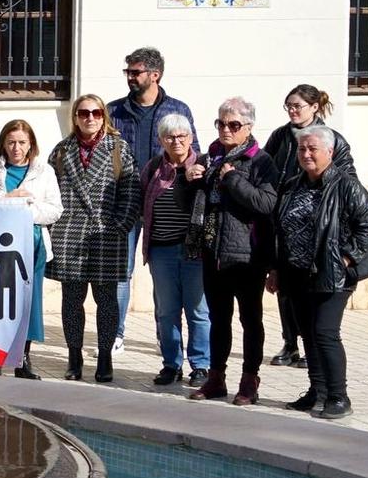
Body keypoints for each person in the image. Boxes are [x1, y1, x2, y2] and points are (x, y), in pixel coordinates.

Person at [269, 125, 368, 421]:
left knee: (325, 333)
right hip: (296, 273)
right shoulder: (292, 184)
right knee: (307, 334)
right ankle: (316, 391)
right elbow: (278, 229)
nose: (306, 154)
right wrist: (276, 269)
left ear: (329, 152)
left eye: (312, 149)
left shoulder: (346, 186)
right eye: (302, 149)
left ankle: (338, 396)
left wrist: (346, 257)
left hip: (332, 275)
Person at [187, 96, 279, 404]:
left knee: (250, 319)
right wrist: (188, 179)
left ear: (249, 127)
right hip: (212, 249)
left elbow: (266, 203)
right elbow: (191, 201)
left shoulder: (260, 160)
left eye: (233, 125)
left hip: (246, 255)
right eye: (221, 123)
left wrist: (233, 178)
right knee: (218, 318)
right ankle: (216, 379)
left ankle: (250, 381)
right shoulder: (210, 156)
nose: (225, 130)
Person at [47, 95, 139, 383]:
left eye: (96, 113)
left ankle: (105, 356)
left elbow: (132, 191)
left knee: (107, 301)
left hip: (105, 236)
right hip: (69, 235)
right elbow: (49, 191)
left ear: (104, 117)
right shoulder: (62, 151)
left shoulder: (118, 149)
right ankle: (74, 357)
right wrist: (53, 229)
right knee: (71, 301)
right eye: (84, 113)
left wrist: (119, 226)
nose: (90, 118)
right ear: (75, 117)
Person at [260, 85, 353, 369]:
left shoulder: (331, 139)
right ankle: (291, 344)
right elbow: (265, 167)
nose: (292, 110)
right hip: (285, 219)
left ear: (314, 107)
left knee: (317, 309)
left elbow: (347, 181)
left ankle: (320, 368)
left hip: (318, 229)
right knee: (286, 290)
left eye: (297, 105)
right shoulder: (280, 135)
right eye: (288, 105)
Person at [107, 48, 195, 348]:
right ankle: (116, 333)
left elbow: (188, 153)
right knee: (122, 270)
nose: (130, 77)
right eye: (128, 72)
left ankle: (165, 336)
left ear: (154, 75)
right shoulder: (113, 112)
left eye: (136, 72)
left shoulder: (177, 110)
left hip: (164, 206)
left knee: (164, 275)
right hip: (126, 203)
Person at [0, 119, 61, 379]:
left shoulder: (44, 172)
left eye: (22, 142)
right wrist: (7, 199)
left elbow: (55, 210)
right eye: (11, 142)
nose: (16, 148)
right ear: (3, 144)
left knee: (27, 304)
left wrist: (27, 208)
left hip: (31, 244)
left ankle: (23, 359)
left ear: (31, 144)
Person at [140, 113, 210, 387]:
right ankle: (171, 364)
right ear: (161, 141)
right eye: (170, 137)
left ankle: (201, 365)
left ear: (191, 138)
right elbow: (143, 199)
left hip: (195, 251)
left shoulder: (204, 164)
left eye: (182, 136)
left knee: (198, 311)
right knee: (166, 311)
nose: (177, 141)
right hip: (162, 250)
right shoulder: (154, 168)